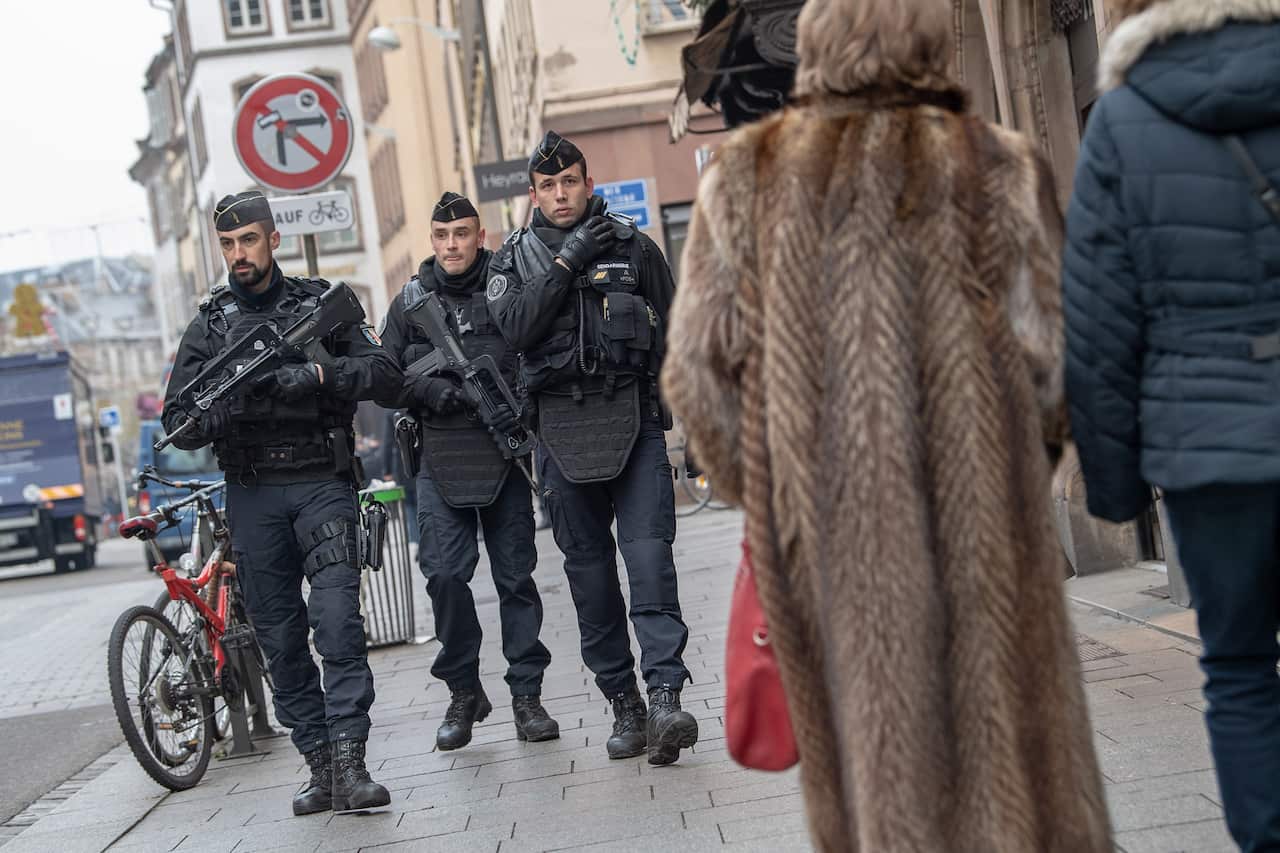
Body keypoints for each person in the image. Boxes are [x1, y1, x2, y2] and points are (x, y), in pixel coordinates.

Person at [660, 0, 1113, 849]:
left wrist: (763, 489)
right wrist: (1021, 459)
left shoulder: (748, 176)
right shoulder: (997, 165)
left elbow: (694, 376)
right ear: (931, 40)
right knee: (1010, 758)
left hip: (825, 541)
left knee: (875, 777)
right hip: (987, 530)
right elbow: (1057, 361)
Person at [1062, 1, 1280, 848]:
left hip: (1209, 450)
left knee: (1237, 666)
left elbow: (1099, 324)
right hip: (1212, 439)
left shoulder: (1122, 119)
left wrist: (1115, 489)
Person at [161, 191, 399, 816]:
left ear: (273, 239)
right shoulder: (209, 328)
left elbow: (384, 375)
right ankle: (320, 765)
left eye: (248, 241)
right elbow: (178, 423)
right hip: (253, 494)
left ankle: (352, 760)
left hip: (322, 481)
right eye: (228, 245)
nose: (239, 255)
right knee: (280, 638)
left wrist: (320, 376)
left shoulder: (319, 305)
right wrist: (224, 407)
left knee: (338, 622)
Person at [487, 131, 698, 766]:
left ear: (588, 184)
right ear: (533, 194)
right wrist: (568, 259)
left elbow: (677, 337)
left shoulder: (636, 247)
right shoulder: (510, 263)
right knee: (592, 582)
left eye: (569, 182)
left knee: (650, 561)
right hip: (560, 436)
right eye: (548, 186)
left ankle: (664, 695)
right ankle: (624, 705)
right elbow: (518, 326)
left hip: (632, 423)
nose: (560, 194)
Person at [376, 192, 558, 751]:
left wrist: (519, 403)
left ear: (481, 236)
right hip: (440, 457)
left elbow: (536, 348)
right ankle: (462, 690)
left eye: (462, 234)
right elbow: (384, 373)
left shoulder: (505, 286)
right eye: (442, 235)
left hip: (502, 456)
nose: (452, 245)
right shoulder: (411, 302)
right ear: (431, 240)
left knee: (515, 581)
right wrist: (431, 388)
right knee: (445, 577)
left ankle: (527, 696)